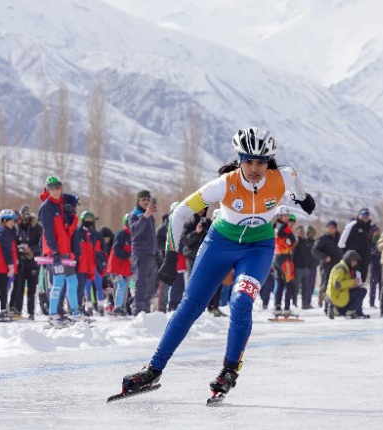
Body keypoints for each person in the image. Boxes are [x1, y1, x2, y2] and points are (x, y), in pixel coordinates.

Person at [116, 127, 315, 401]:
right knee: (189, 307)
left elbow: (298, 189)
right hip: (219, 245)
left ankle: (229, 371)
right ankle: (153, 369)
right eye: (248, 161)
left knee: (242, 302)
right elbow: (179, 212)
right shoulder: (223, 183)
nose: (255, 168)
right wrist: (171, 255)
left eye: (260, 162)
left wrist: (303, 199)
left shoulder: (284, 176)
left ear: (268, 161)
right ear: (240, 160)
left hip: (257, 249)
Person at [38, 176, 81, 326]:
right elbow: (48, 231)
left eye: (58, 187)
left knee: (72, 281)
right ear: (48, 190)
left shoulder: (61, 204)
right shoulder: (46, 207)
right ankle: (52, 315)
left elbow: (67, 228)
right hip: (55, 251)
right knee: (57, 283)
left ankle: (76, 314)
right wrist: (54, 250)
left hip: (65, 250)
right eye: (52, 188)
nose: (55, 190)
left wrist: (70, 213)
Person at [128, 190, 158, 315]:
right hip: (141, 254)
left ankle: (145, 312)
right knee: (141, 285)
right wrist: (145, 216)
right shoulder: (135, 214)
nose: (146, 202)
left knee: (151, 286)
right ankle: (138, 312)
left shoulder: (149, 215)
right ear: (138, 201)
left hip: (151, 254)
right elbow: (135, 231)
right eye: (143, 199)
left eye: (148, 199)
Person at [11, 205, 43, 320]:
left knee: (31, 289)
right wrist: (19, 248)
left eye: (26, 219)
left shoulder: (37, 228)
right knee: (19, 288)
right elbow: (13, 242)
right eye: (22, 219)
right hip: (21, 262)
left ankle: (31, 312)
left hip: (33, 262)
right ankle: (17, 311)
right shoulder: (17, 227)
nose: (24, 221)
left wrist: (31, 249)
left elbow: (42, 245)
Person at [75, 211, 104, 315]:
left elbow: (101, 250)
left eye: (91, 220)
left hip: (93, 265)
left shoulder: (95, 235)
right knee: (83, 287)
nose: (89, 222)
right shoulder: (78, 232)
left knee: (97, 285)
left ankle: (98, 306)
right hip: (81, 265)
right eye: (86, 220)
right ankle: (83, 307)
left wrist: (101, 262)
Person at [326, 250, 369, 319]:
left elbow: (343, 284)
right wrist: (353, 282)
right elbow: (337, 285)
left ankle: (338, 310)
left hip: (340, 295)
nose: (355, 264)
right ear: (350, 260)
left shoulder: (345, 268)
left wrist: (354, 285)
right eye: (355, 261)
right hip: (337, 297)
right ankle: (347, 311)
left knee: (359, 290)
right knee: (362, 291)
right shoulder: (340, 269)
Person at [272, 208, 297, 316]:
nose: (287, 217)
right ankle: (286, 309)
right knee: (289, 284)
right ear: (279, 216)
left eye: (287, 215)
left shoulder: (274, 226)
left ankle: (277, 308)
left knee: (280, 284)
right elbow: (293, 241)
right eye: (284, 215)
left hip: (276, 258)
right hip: (285, 259)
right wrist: (291, 241)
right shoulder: (285, 227)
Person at [312, 220, 342, 307]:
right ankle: (325, 303)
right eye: (328, 228)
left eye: (332, 228)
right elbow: (314, 250)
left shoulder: (340, 238)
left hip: (338, 266)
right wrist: (324, 257)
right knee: (326, 285)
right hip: (327, 266)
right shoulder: (323, 239)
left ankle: (335, 304)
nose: (330, 229)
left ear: (336, 229)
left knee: (336, 285)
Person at [292, 225, 316, 309]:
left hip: (306, 268)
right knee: (296, 287)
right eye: (300, 231)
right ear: (297, 232)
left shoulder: (307, 242)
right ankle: (294, 303)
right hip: (297, 268)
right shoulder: (295, 242)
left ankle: (305, 304)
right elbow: (292, 254)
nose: (302, 233)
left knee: (306, 287)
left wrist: (310, 263)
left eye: (303, 231)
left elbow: (311, 254)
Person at [368, 225, 382, 308]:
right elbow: (371, 252)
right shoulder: (370, 241)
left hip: (382, 264)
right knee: (373, 284)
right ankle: (372, 302)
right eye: (375, 231)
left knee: (382, 284)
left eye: (378, 231)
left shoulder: (382, 239)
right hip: (374, 264)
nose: (377, 233)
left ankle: (382, 301)